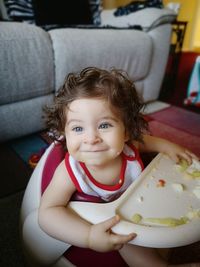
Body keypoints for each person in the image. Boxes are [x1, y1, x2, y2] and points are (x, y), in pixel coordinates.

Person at [39, 67, 199, 267]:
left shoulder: (130, 148)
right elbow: (47, 212)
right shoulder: (71, 172)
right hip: (111, 219)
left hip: (140, 204)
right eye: (78, 128)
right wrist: (88, 236)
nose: (91, 139)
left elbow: (147, 142)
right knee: (130, 242)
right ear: (65, 133)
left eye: (104, 125)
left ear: (126, 132)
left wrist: (167, 145)